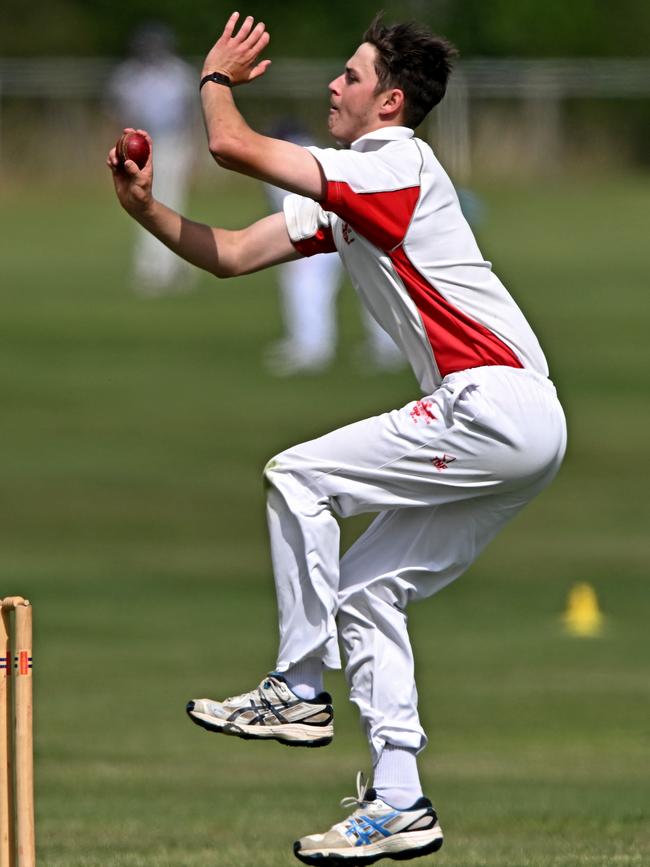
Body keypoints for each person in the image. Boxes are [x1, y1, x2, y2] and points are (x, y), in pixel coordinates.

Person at [107, 12, 567, 865]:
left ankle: (296, 688)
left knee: (297, 473)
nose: (332, 85)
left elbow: (231, 148)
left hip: (490, 404)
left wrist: (213, 79)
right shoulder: (357, 189)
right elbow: (236, 252)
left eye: (350, 77)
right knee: (365, 594)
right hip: (517, 423)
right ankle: (399, 798)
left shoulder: (391, 164)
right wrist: (146, 210)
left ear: (389, 101)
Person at [263, 120, 404, 376]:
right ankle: (388, 347)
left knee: (307, 287)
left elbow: (293, 211)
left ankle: (311, 348)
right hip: (356, 226)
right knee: (374, 285)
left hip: (318, 229)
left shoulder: (283, 162)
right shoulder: (318, 153)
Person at [107, 21, 198, 295]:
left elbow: (190, 113)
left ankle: (173, 264)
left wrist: (192, 148)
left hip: (173, 143)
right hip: (141, 146)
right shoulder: (129, 76)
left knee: (172, 203)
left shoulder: (179, 73)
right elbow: (117, 112)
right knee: (144, 203)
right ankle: (152, 267)